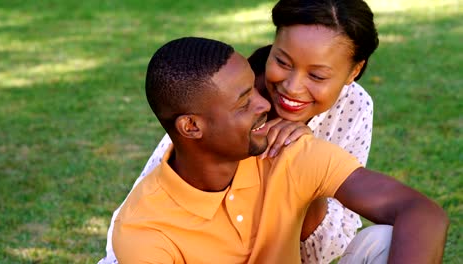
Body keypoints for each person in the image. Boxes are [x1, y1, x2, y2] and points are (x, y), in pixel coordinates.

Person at [111, 36, 448, 263]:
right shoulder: (143, 230)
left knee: (384, 242)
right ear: (191, 127)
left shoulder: (286, 149)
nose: (264, 104)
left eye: (254, 89)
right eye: (243, 102)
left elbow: (420, 212)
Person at [99, 0, 380, 263]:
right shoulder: (219, 102)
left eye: (317, 76)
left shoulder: (353, 105)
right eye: (282, 61)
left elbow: (326, 249)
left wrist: (307, 171)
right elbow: (146, 215)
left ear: (354, 70)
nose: (292, 87)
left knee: (381, 240)